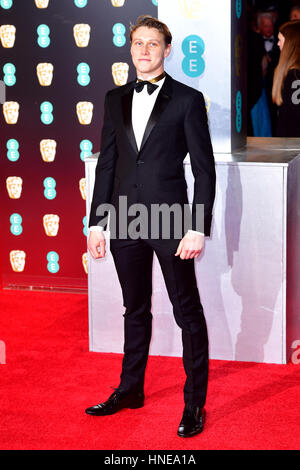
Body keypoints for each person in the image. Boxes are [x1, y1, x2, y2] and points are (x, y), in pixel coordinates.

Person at [85, 15, 216, 438]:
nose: (144, 50)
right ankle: (130, 389)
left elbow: (204, 169)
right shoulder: (112, 98)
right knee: (134, 308)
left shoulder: (187, 99)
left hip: (172, 220)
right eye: (138, 43)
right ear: (130, 48)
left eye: (153, 44)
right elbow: (108, 162)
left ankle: (194, 404)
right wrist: (97, 222)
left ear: (167, 50)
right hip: (123, 218)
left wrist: (197, 225)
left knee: (187, 311)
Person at [272, 20, 300, 137]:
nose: (278, 44)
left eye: (280, 40)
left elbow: (295, 119)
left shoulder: (295, 76)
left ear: (290, 44)